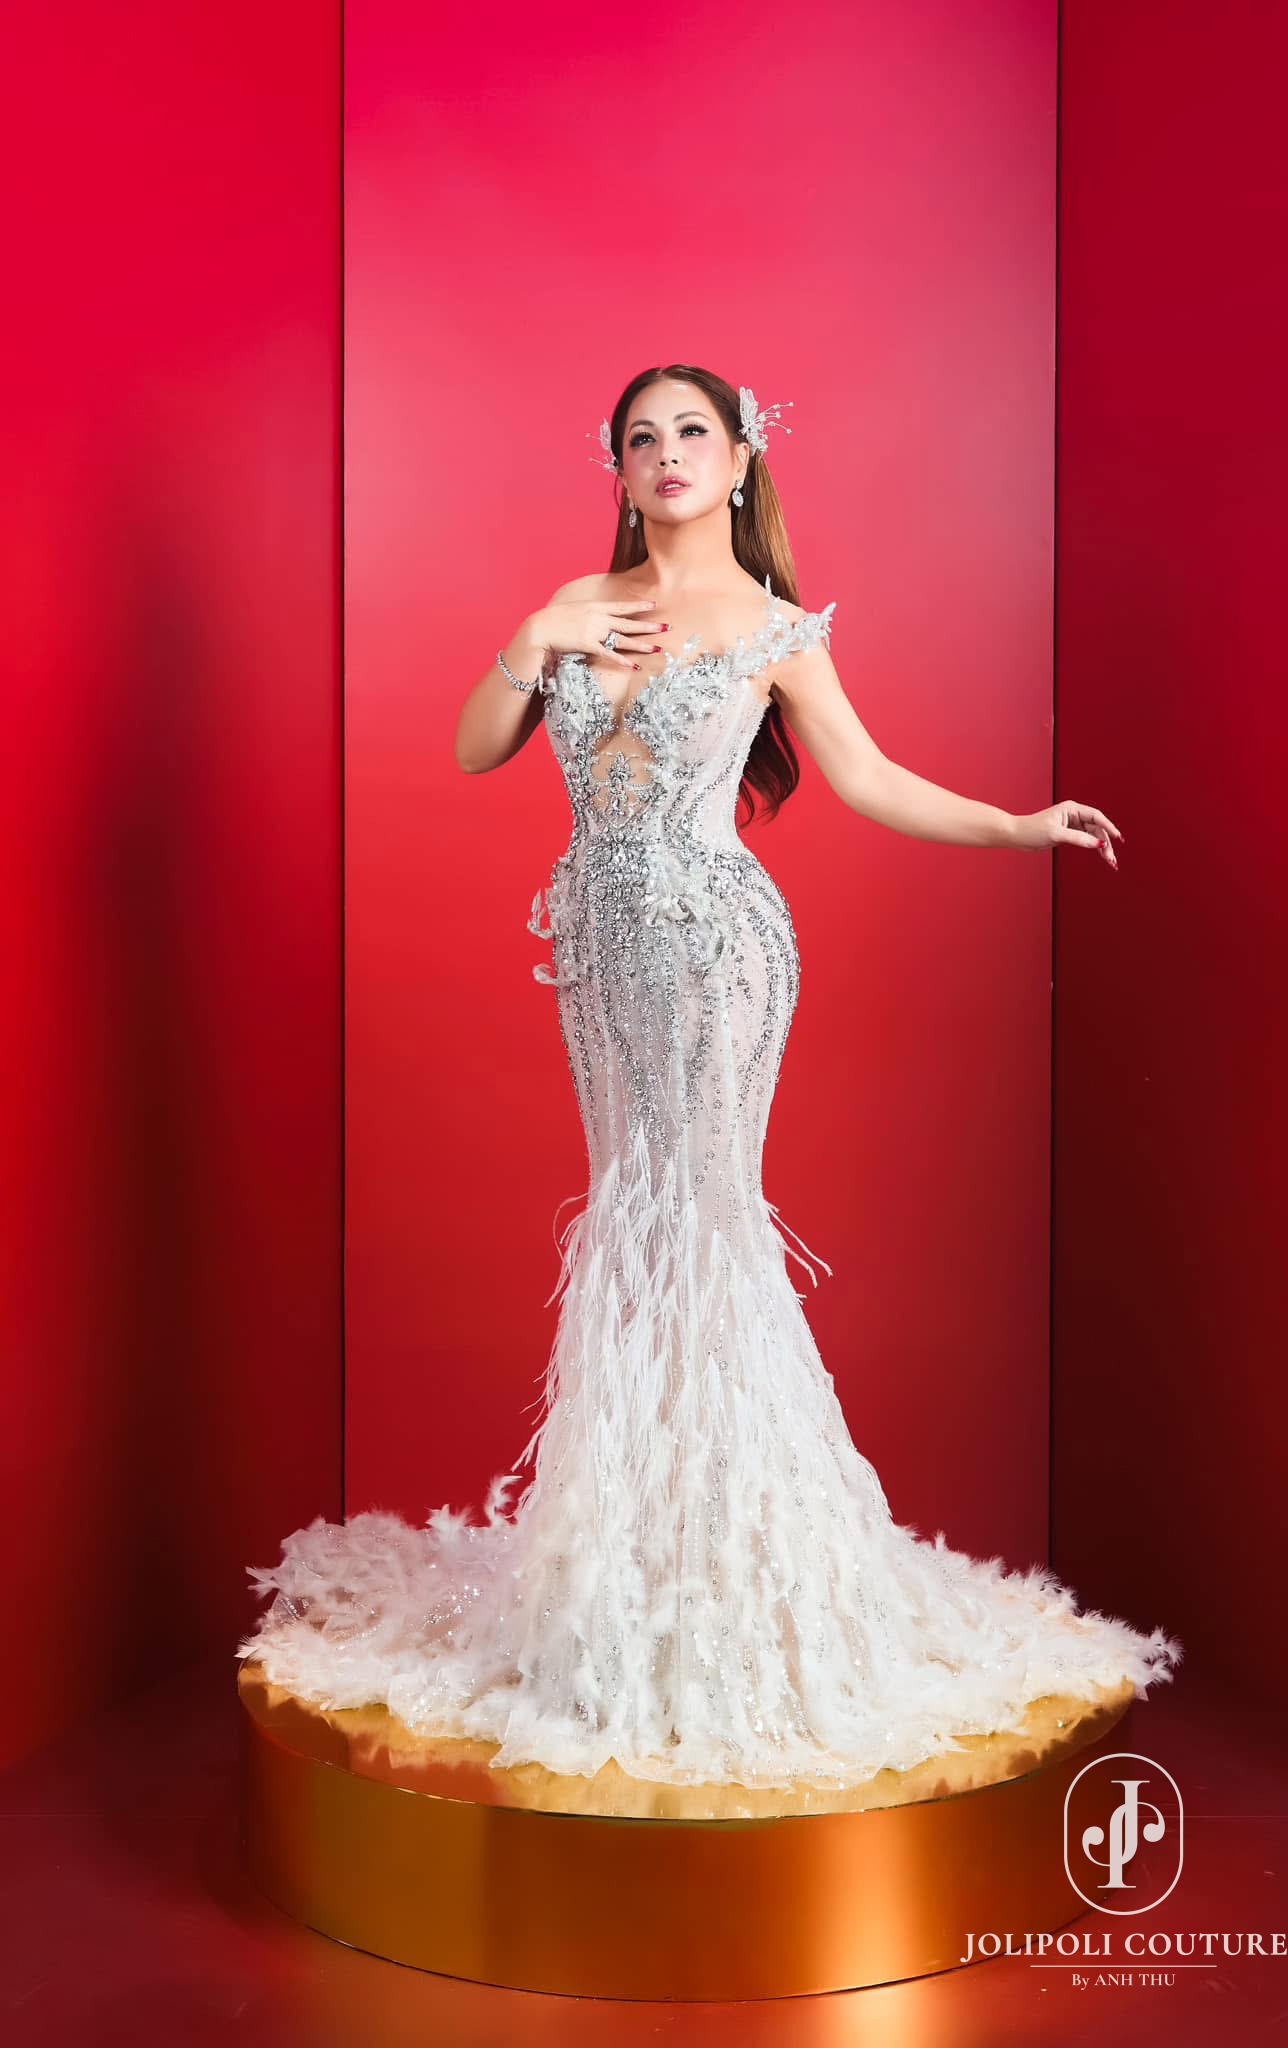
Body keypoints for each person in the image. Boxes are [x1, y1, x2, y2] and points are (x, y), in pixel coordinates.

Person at [237, 363, 1180, 1791]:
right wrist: (534, 634)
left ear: (740, 462)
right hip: (598, 955)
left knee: (698, 1221)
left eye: (693, 433)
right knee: (632, 1217)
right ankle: (637, 1568)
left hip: (716, 948)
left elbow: (866, 778)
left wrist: (1014, 823)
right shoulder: (583, 604)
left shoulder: (774, 626)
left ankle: (744, 1584)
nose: (667, 454)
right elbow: (475, 748)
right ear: (618, 470)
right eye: (642, 438)